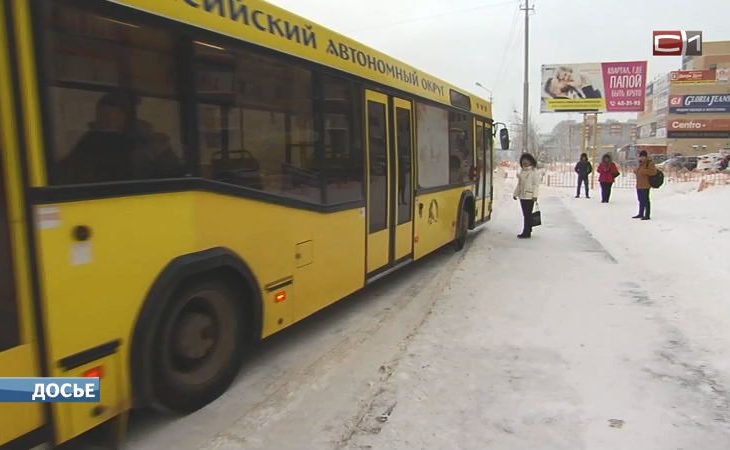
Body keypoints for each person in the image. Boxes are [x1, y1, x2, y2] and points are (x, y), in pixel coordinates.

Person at [513, 153, 540, 239]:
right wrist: (515, 194)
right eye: (523, 161)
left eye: (526, 161)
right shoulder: (522, 172)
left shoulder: (534, 172)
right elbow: (519, 184)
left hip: (529, 196)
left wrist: (535, 196)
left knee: (527, 215)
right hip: (522, 196)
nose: (524, 162)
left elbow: (536, 185)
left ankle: (526, 232)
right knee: (526, 214)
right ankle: (528, 229)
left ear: (531, 161)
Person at [633, 150, 657, 220]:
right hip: (639, 184)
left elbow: (653, 172)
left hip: (646, 184)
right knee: (640, 200)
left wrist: (643, 171)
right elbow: (638, 171)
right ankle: (640, 213)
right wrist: (636, 171)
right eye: (641, 157)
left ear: (646, 157)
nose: (642, 158)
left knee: (646, 200)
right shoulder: (640, 163)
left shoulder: (650, 163)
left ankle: (647, 215)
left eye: (643, 157)